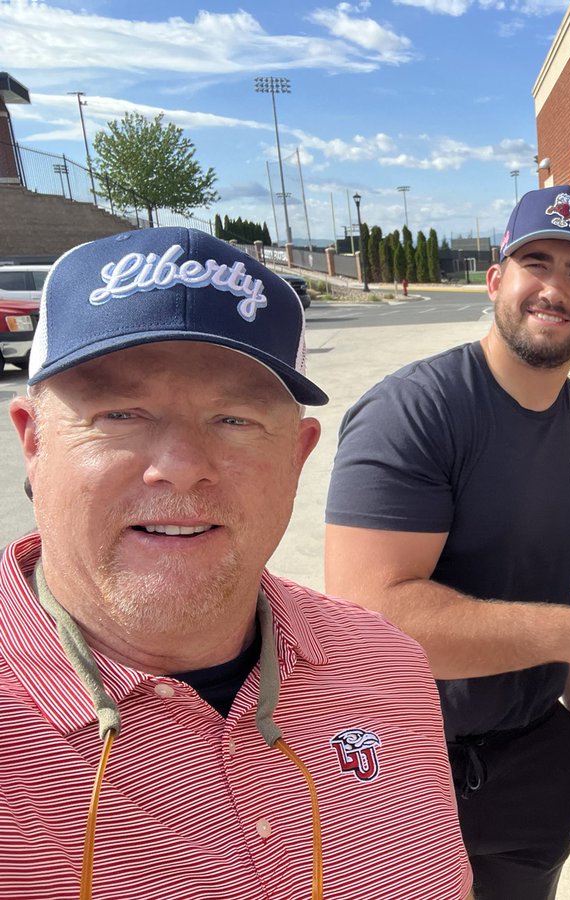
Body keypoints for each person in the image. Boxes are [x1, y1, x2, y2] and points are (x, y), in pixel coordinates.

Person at [0, 228, 472, 900]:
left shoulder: (391, 668)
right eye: (122, 413)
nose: (181, 467)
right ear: (34, 443)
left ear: (297, 456)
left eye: (234, 419)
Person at [325, 185, 570, 899]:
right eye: (536, 263)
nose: (554, 289)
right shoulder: (416, 412)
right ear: (496, 279)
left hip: (536, 761)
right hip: (405, 764)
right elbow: (370, 621)